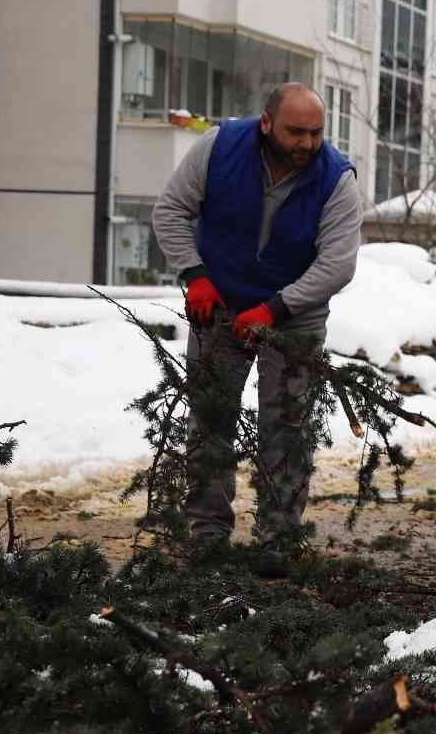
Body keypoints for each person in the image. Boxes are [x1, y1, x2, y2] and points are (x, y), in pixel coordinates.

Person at [151, 82, 363, 547]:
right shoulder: (219, 148)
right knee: (209, 419)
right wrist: (196, 274)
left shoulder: (335, 179)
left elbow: (337, 265)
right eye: (295, 132)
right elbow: (169, 211)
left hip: (295, 315)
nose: (307, 143)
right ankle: (207, 531)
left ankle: (278, 537)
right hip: (220, 305)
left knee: (286, 425)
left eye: (315, 133)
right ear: (266, 123)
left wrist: (275, 308)